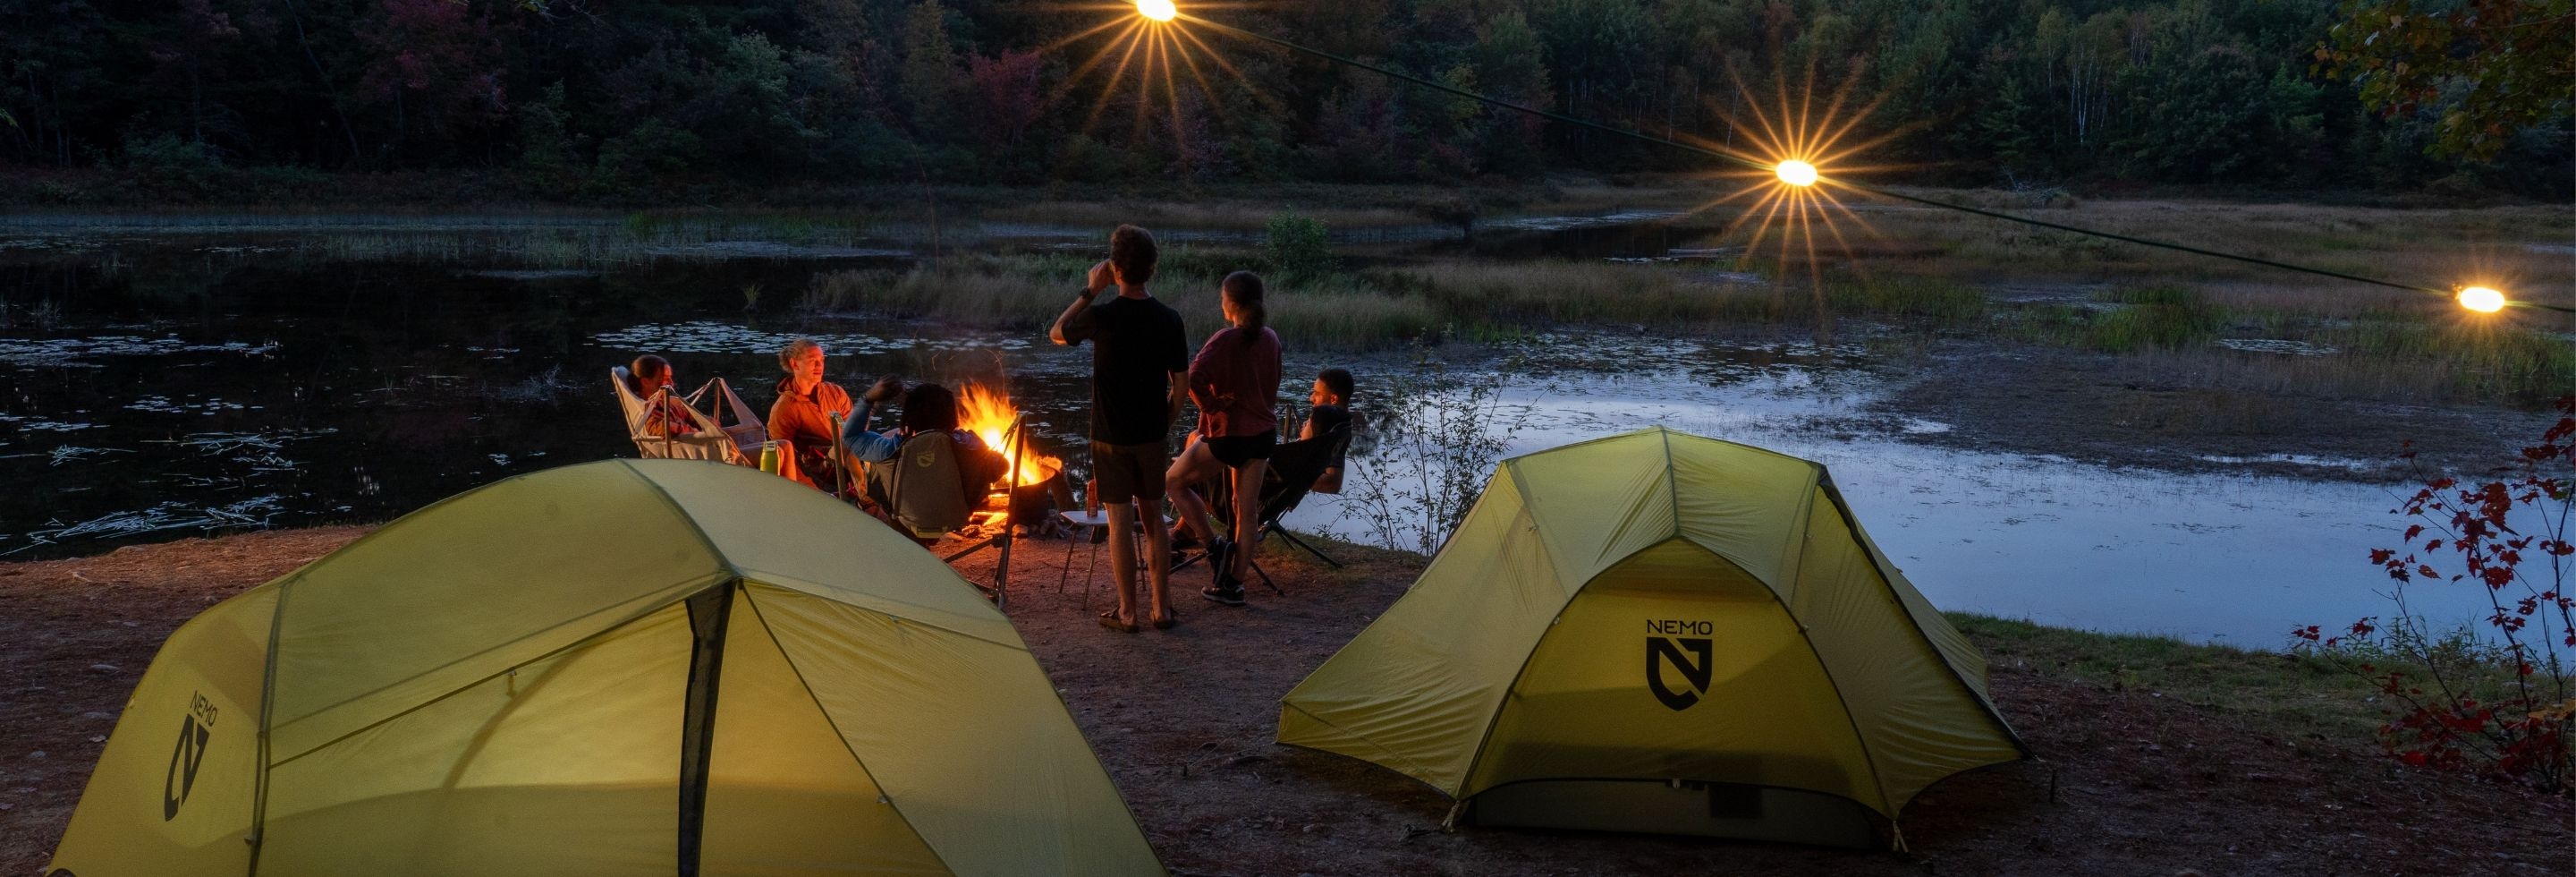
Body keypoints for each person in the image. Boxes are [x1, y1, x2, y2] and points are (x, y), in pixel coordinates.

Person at [1050, 224, 1188, 633]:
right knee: (1154, 520)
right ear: (1152, 268)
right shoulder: (1170, 319)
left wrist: (1090, 290)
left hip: (1109, 438)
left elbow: (1057, 333)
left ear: (1114, 269)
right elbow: (1181, 386)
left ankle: (1128, 612)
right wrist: (1163, 424)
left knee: (1119, 524)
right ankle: (1161, 609)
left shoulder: (1101, 316)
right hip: (1151, 437)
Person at [1167, 270, 1279, 608]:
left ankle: (1212, 544)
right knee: (1246, 512)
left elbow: (1191, 378)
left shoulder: (1225, 339)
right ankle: (1234, 585)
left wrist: (1212, 406)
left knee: (1173, 481)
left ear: (1231, 303)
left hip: (1230, 435)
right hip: (1263, 435)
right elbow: (1272, 384)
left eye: (1222, 299)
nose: (1221, 304)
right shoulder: (1271, 338)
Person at [843, 379, 1008, 508]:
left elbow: (851, 436)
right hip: (957, 516)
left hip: (905, 518)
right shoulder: (971, 446)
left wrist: (868, 399)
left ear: (909, 415)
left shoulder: (891, 448)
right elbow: (1002, 466)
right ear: (952, 415)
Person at [766, 338, 852, 491]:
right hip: (822, 470)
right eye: (813, 361)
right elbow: (784, 456)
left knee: (896, 439)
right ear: (794, 364)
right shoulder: (784, 408)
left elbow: (854, 432)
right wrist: (811, 491)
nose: (819, 366)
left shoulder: (836, 393)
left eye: (822, 360)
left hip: (849, 456)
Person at [1298, 367, 1363, 495]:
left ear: (1333, 399)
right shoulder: (1342, 424)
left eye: (1316, 393)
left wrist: (1287, 477)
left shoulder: (1331, 426)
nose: (1311, 398)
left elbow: (1332, 484)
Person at [627, 354, 696, 438]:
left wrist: (706, 422)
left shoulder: (666, 405)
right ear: (645, 382)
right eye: (665, 378)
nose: (671, 383)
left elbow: (692, 417)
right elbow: (663, 428)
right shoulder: (647, 415)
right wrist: (698, 432)